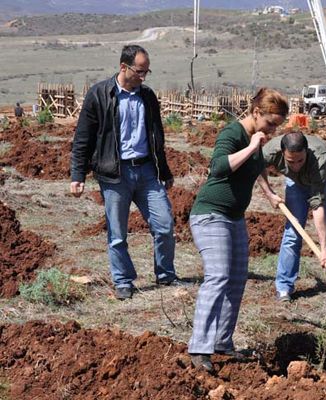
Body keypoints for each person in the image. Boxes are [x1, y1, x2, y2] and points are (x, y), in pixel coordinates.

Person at [70, 44, 184, 300]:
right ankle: (123, 280)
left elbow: (157, 137)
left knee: (164, 225)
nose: (143, 77)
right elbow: (83, 138)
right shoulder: (99, 94)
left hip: (146, 172)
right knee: (118, 233)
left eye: (146, 72)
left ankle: (166, 274)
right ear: (124, 67)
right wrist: (77, 175)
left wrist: (164, 170)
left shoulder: (147, 96)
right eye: (139, 71)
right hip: (114, 174)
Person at [188, 88, 288, 373]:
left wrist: (268, 192)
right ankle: (199, 347)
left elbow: (258, 166)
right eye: (270, 123)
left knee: (236, 279)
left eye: (277, 125)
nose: (273, 129)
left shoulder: (257, 139)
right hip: (210, 214)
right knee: (218, 276)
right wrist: (251, 146)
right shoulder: (233, 134)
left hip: (234, 217)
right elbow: (218, 167)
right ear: (256, 113)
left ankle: (222, 342)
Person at [259, 132, 326, 302]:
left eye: (300, 160)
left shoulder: (318, 159)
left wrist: (324, 250)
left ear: (307, 151)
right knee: (292, 233)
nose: (296, 165)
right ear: (282, 152)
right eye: (291, 161)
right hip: (295, 183)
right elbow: (255, 166)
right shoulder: (270, 151)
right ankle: (284, 287)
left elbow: (317, 205)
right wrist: (269, 193)